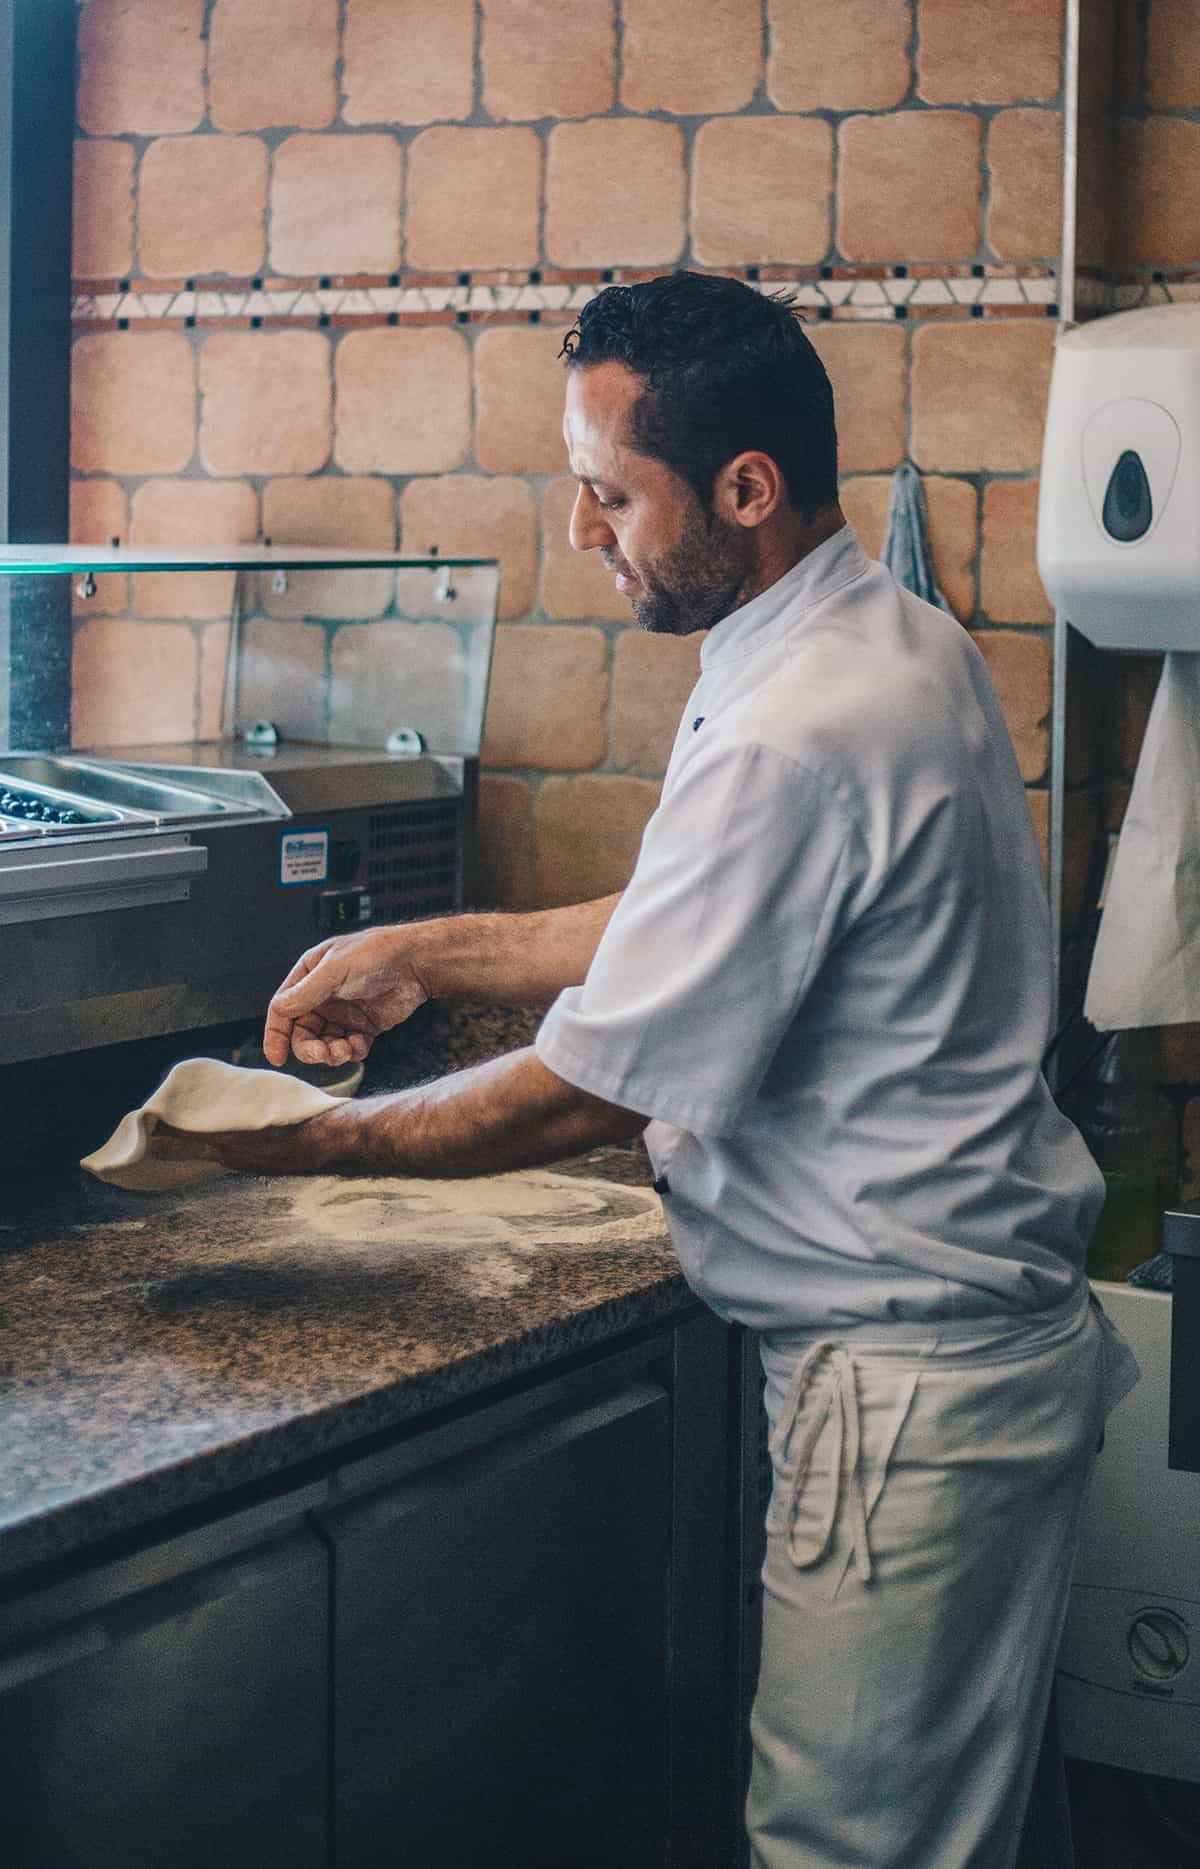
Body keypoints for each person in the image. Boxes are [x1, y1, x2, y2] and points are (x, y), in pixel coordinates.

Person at [155, 272, 1136, 1868]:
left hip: (908, 1395)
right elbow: (687, 918)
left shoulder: (796, 724)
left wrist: (303, 1142)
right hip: (975, 1359)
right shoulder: (877, 640)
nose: (580, 530)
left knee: (845, 1849)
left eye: (610, 494)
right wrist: (432, 948)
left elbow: (588, 1087)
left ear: (744, 490)